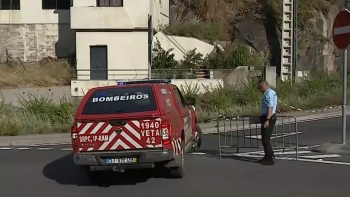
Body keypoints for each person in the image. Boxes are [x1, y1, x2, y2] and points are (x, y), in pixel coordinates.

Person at [258, 80, 277, 165]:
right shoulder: (272, 92)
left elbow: (270, 106)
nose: (259, 90)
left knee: (265, 139)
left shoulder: (268, 94)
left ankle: (269, 159)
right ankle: (268, 156)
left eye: (259, 88)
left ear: (262, 86)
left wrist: (267, 120)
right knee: (265, 139)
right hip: (269, 117)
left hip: (268, 117)